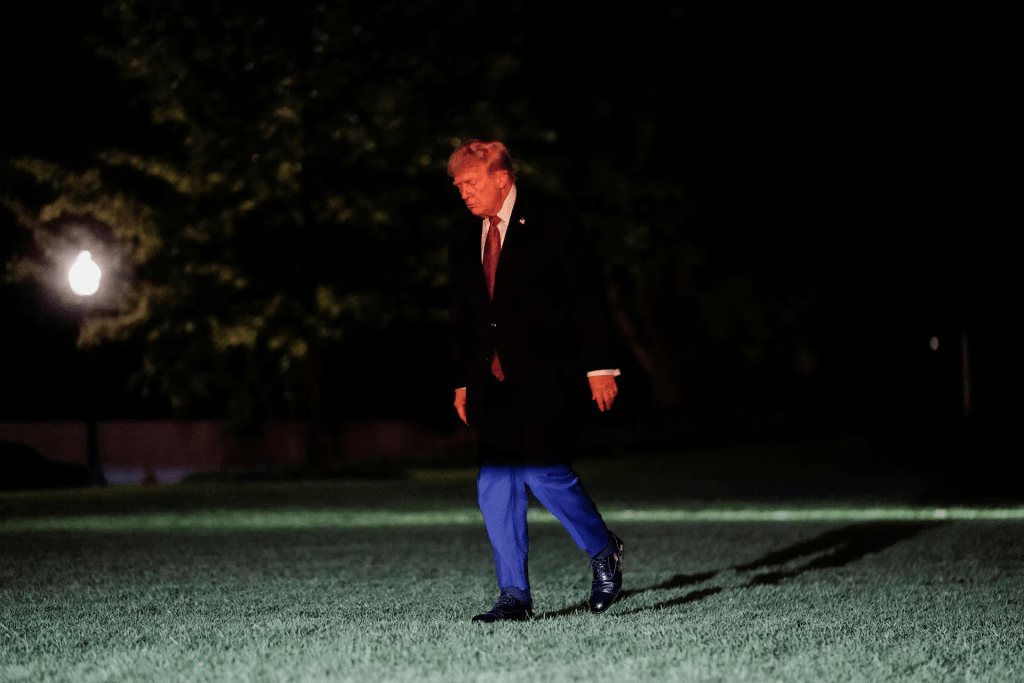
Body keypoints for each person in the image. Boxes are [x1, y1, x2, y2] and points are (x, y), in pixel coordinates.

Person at [447, 140, 623, 622]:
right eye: (458, 185)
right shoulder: (464, 234)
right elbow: (463, 313)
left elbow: (586, 293)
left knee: (543, 471)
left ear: (502, 178)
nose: (463, 193)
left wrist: (600, 367)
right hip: (492, 378)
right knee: (495, 481)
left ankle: (604, 550)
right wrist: (463, 380)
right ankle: (513, 596)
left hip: (551, 370)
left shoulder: (552, 218)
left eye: (471, 182)